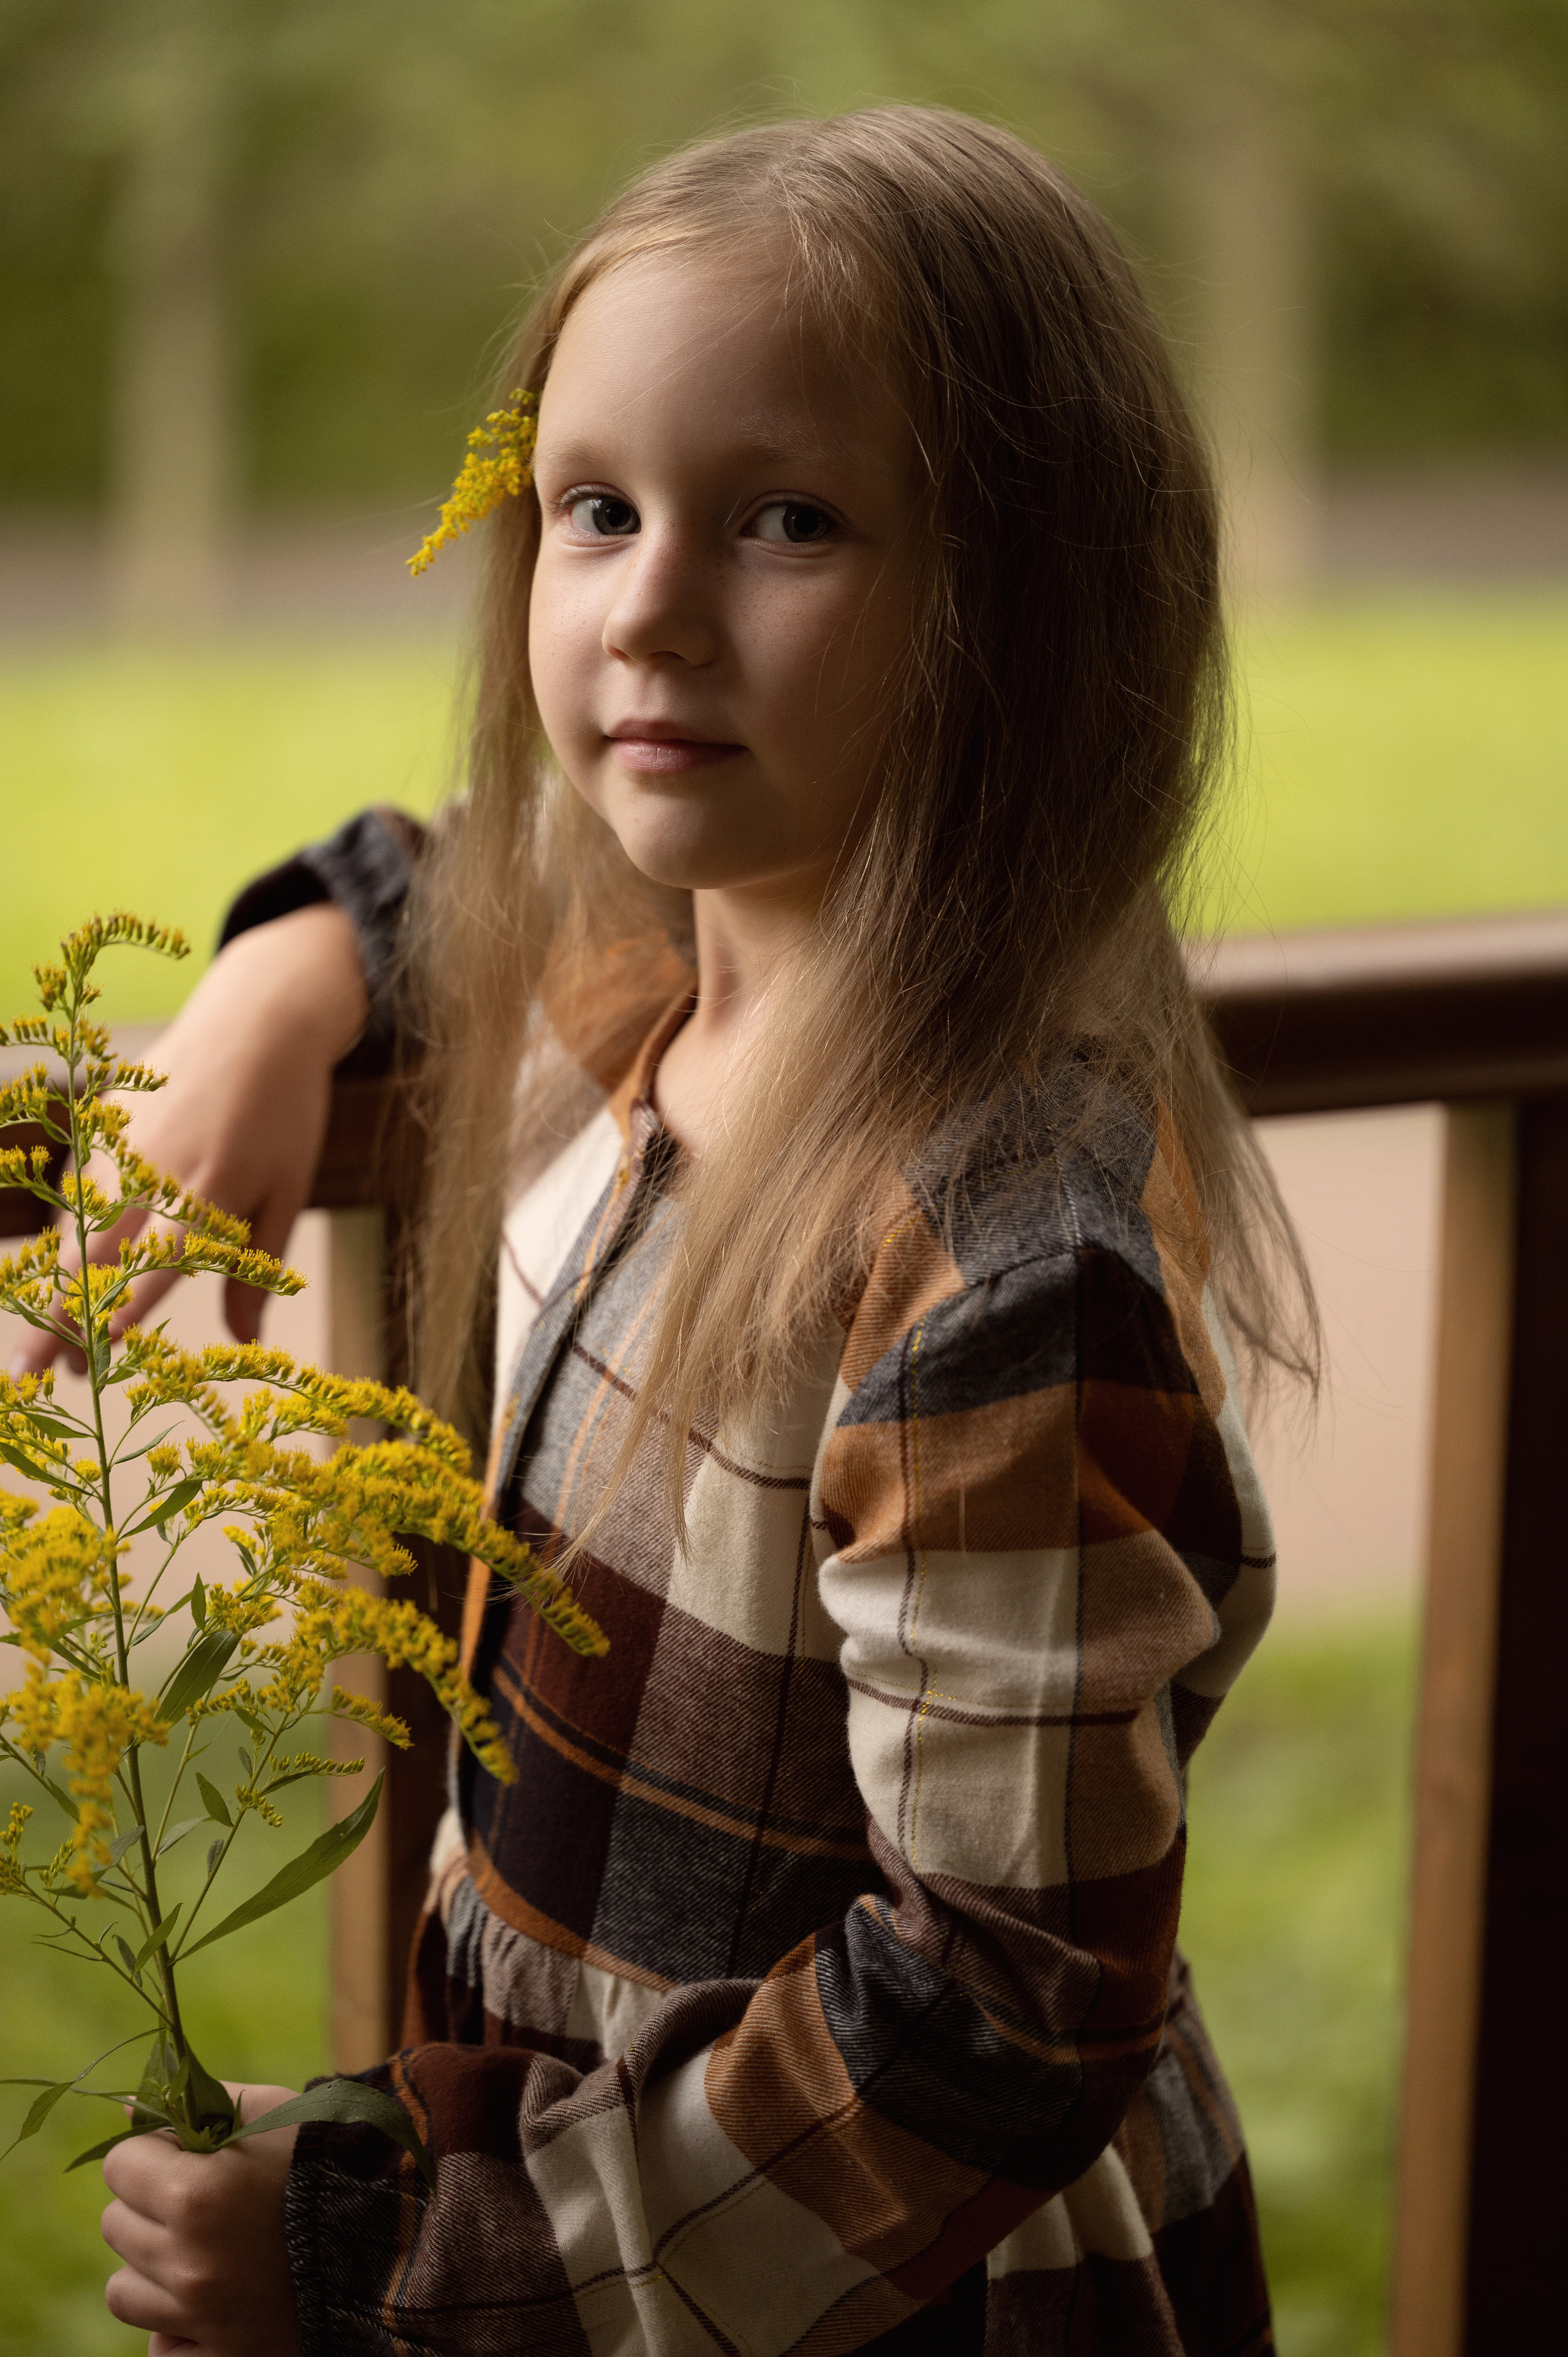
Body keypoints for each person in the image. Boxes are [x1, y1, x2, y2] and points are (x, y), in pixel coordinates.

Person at [37, 105, 1314, 2356]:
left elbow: (1000, 2020)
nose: (645, 604)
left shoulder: (996, 1273)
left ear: (1022, 613)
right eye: (595, 510)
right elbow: (465, 870)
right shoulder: (677, 957)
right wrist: (278, 983)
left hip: (871, 2276)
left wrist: (390, 2256)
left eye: (786, 523)